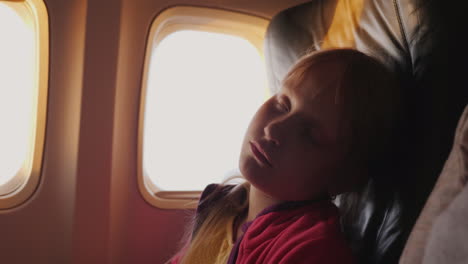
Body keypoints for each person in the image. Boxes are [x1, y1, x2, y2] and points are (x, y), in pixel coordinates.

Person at [169, 48, 401, 264]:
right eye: (283, 104)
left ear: (344, 177)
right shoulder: (222, 207)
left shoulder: (314, 251)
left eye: (311, 135)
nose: (274, 129)